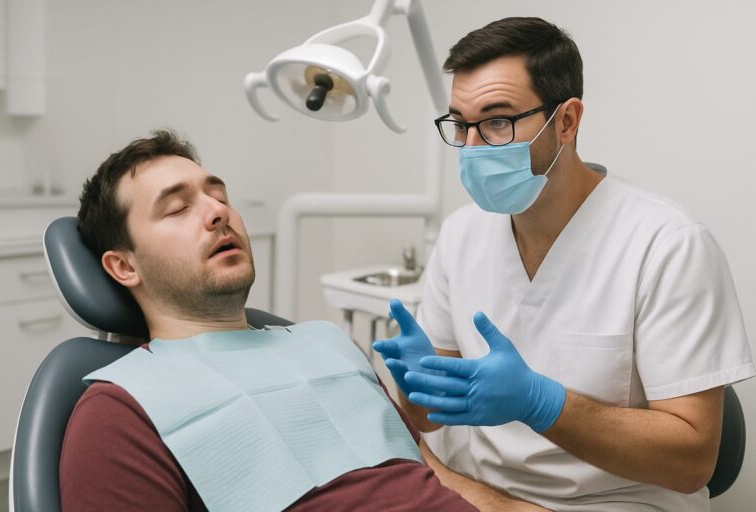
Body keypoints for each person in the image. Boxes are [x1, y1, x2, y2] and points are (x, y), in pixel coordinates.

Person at [373, 17, 754, 511]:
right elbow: (428, 419)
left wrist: (543, 403)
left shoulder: (667, 244)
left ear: (567, 121)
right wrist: (418, 387)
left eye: (496, 121)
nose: (470, 148)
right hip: (484, 495)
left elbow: (692, 464)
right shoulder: (461, 234)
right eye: (460, 125)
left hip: (619, 502)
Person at [60, 129, 551, 512]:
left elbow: (436, 478)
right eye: (177, 208)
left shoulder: (327, 344)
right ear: (124, 266)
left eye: (219, 196)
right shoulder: (120, 409)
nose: (216, 213)